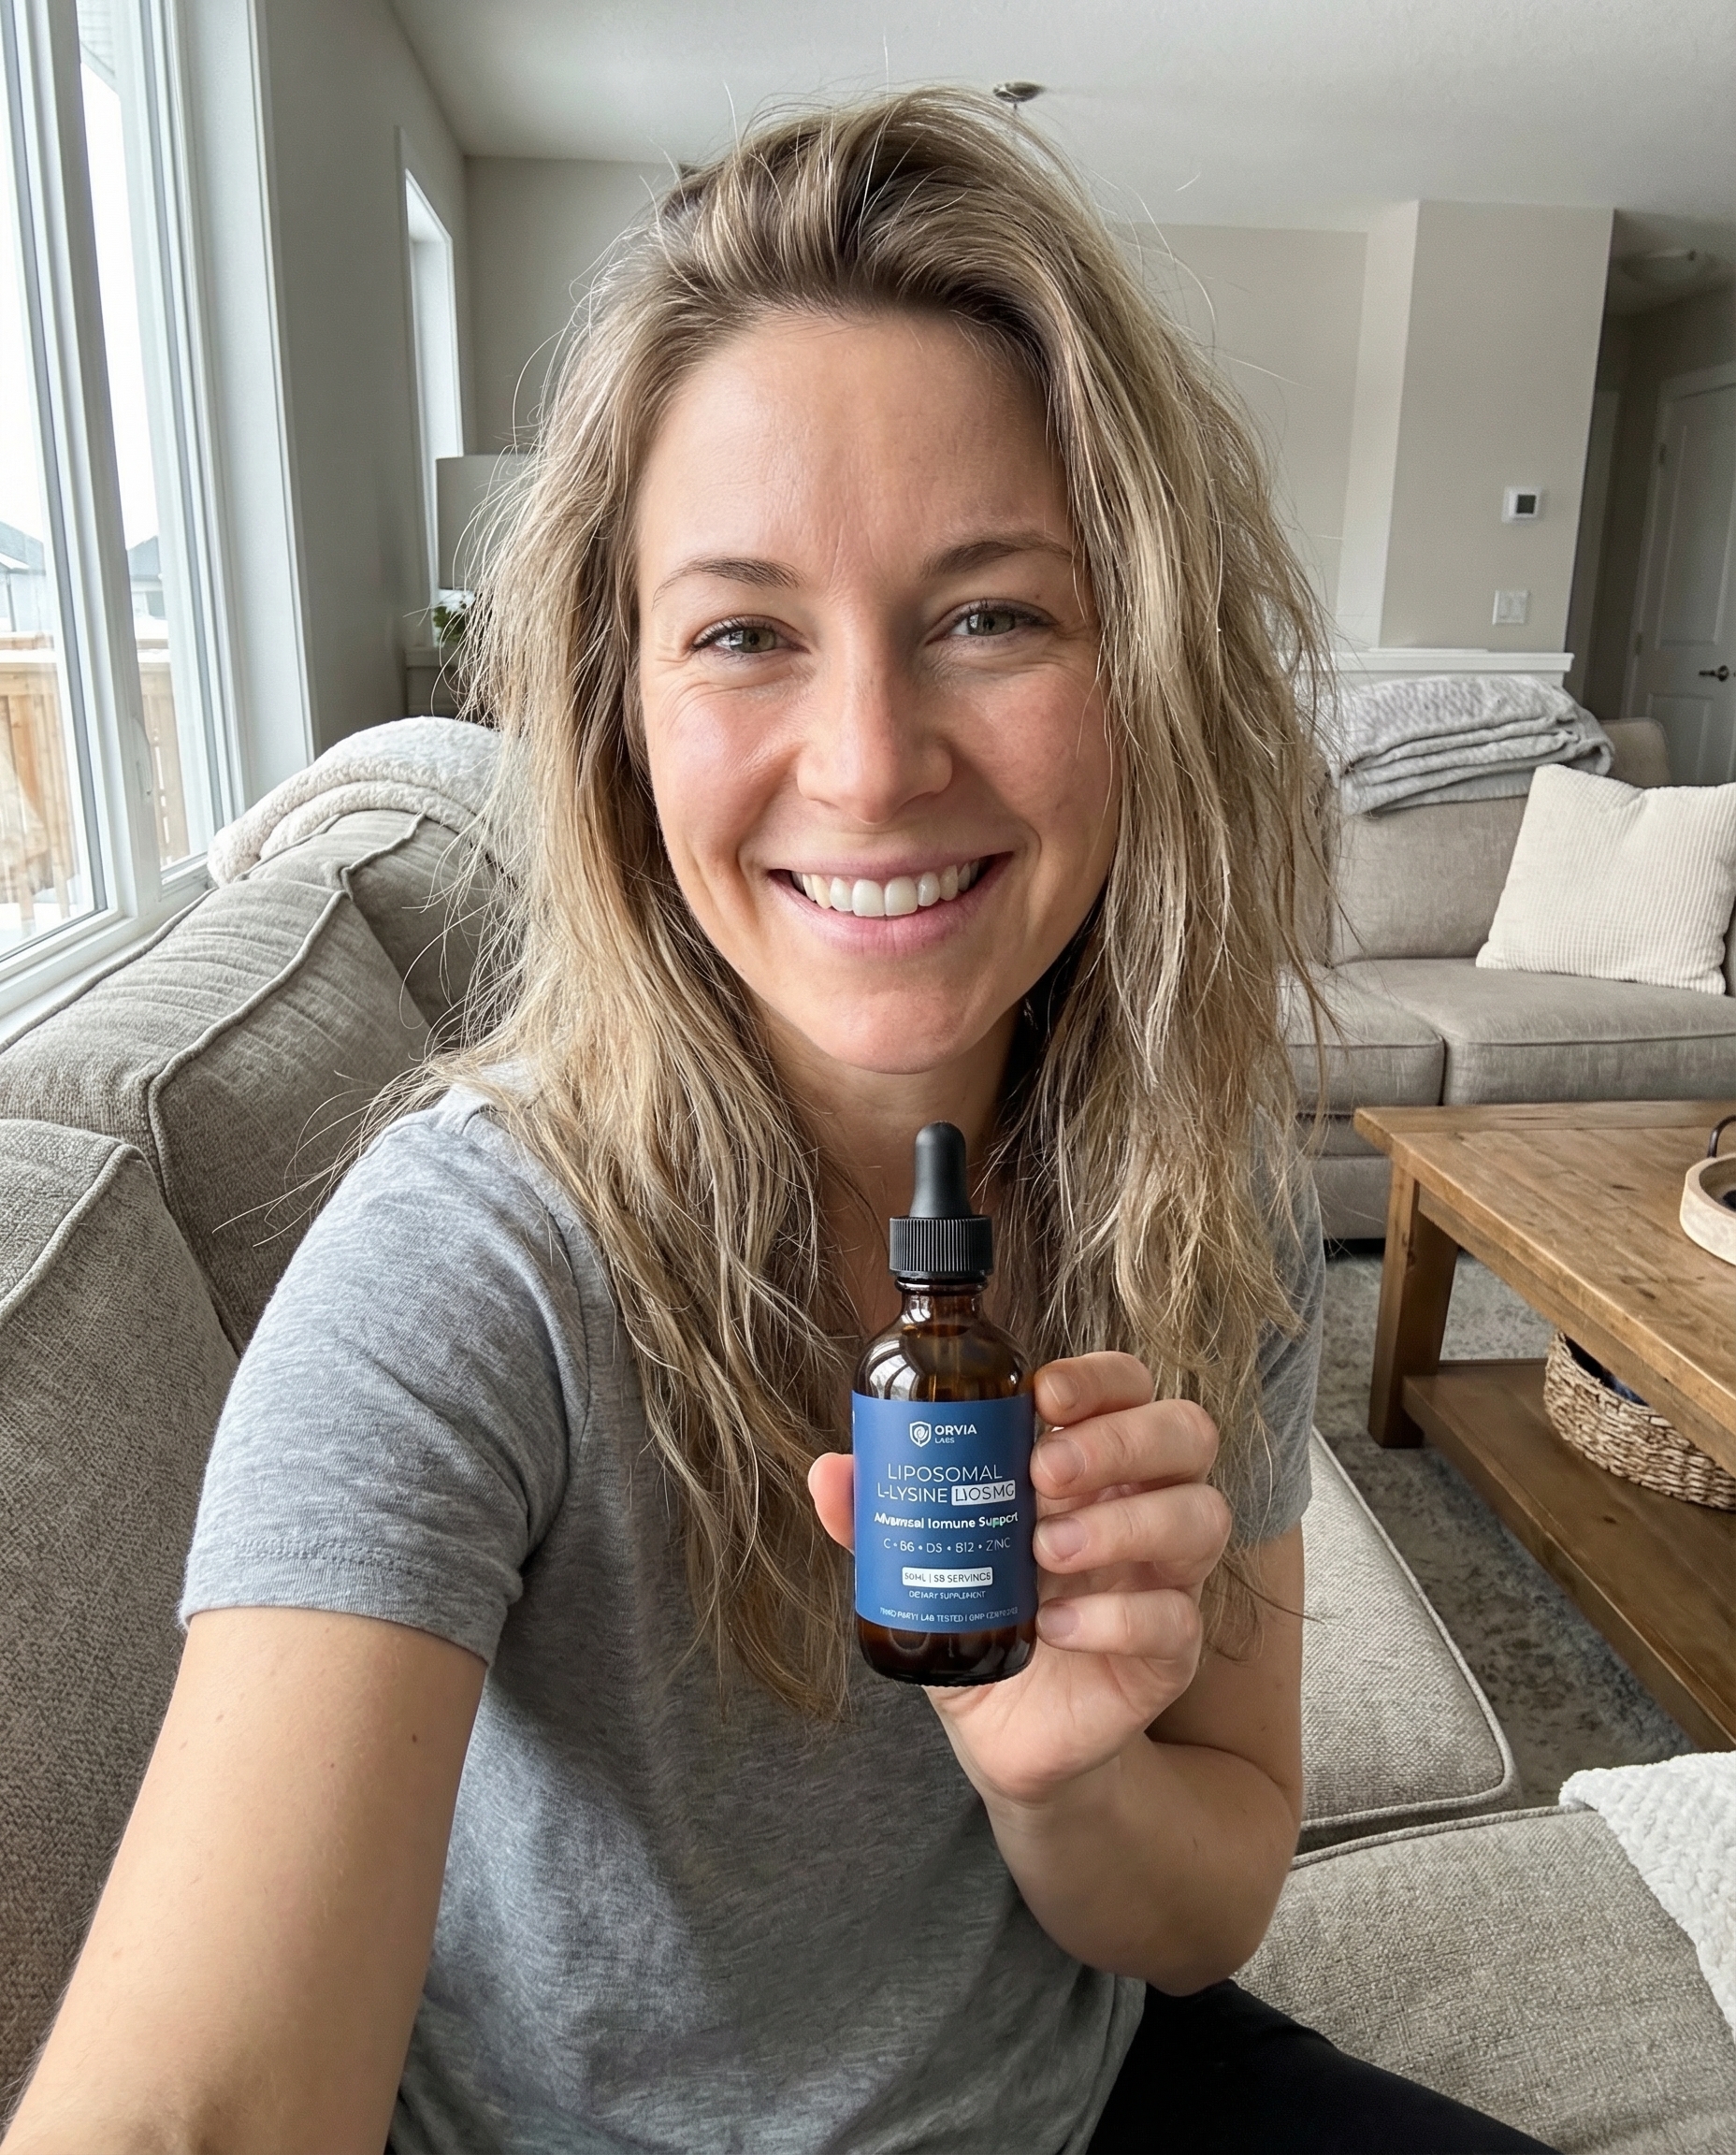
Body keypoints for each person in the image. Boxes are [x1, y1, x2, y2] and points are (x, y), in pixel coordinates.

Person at [4, 90, 1556, 2155]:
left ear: (1144, 670)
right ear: (620, 706)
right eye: (744, 632)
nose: (866, 761)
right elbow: (191, 2104)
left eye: (990, 611)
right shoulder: (465, 1263)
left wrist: (1061, 1770)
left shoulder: (1202, 1201)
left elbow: (1198, 1910)